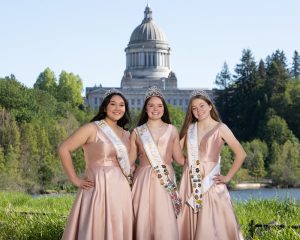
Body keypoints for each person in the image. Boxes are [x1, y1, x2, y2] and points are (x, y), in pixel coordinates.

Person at [59, 89, 133, 240]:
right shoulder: (92, 128)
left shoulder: (127, 134)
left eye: (121, 105)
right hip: (98, 188)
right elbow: (64, 149)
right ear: (105, 107)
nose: (117, 108)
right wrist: (75, 179)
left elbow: (130, 164)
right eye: (113, 104)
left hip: (122, 191)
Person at [177, 89, 246, 240]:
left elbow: (241, 154)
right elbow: (176, 154)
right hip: (190, 182)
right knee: (189, 223)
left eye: (201, 106)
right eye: (194, 108)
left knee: (212, 224)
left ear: (210, 106)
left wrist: (228, 177)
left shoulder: (221, 128)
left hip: (210, 183)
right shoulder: (189, 129)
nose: (198, 110)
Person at [130, 86, 185, 240]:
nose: (156, 109)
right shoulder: (137, 132)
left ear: (164, 108)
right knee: (143, 218)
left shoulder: (172, 130)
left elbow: (180, 160)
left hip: (165, 180)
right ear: (145, 109)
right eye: (151, 105)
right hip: (143, 180)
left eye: (159, 105)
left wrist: (201, 157)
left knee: (165, 219)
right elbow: (129, 162)